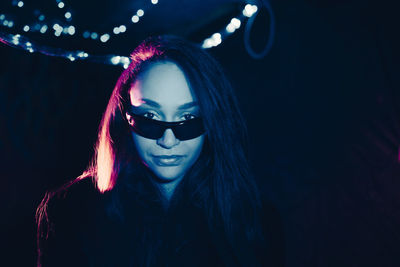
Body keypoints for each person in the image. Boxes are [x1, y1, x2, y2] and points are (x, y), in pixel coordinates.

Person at [36, 35, 285, 267]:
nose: (168, 140)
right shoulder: (73, 211)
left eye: (188, 118)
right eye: (150, 117)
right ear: (124, 117)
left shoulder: (255, 220)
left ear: (212, 122)